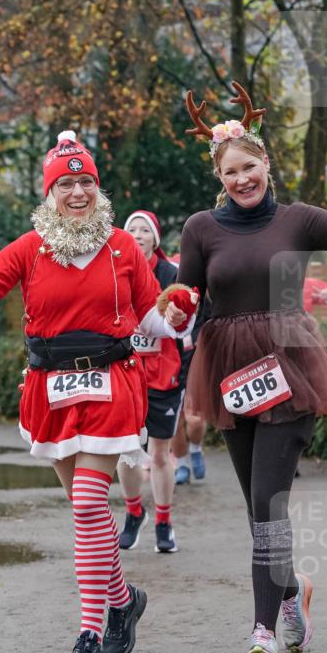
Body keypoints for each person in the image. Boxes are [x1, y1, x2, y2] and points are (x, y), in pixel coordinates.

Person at [0, 131, 198, 653]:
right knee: (86, 514)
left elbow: (149, 319)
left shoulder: (121, 247)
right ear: (50, 192)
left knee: (90, 503)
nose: (77, 192)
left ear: (98, 187)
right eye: (65, 183)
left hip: (112, 384)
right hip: (50, 391)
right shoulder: (30, 247)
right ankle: (124, 599)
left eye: (85, 181)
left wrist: (176, 314)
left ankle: (88, 633)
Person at [169, 82, 327, 653]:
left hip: (289, 366)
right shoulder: (200, 228)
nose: (242, 179)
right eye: (230, 171)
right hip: (229, 371)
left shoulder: (300, 220)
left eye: (250, 166)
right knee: (257, 512)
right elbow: (187, 295)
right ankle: (292, 592)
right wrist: (171, 309)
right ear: (219, 176)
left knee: (269, 508)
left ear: (265, 162)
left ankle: (264, 632)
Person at [117, 210, 183, 553]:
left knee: (159, 454)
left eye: (145, 230)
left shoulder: (171, 274)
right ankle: (133, 512)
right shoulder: (115, 270)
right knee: (125, 453)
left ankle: (163, 522)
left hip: (163, 377)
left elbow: (188, 325)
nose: (139, 234)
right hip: (125, 375)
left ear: (156, 238)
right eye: (132, 229)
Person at [171, 293, 213, 484]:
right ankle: (181, 465)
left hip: (195, 365)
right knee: (175, 423)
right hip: (169, 367)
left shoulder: (200, 299)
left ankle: (195, 449)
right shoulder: (163, 289)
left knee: (195, 420)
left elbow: (211, 321)